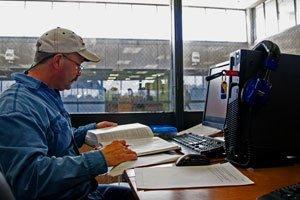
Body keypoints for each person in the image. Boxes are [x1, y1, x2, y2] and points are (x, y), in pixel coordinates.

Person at [0, 27, 137, 200]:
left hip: (83, 191)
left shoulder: (45, 94)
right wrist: (101, 159)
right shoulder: (17, 107)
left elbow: (53, 138)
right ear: (58, 61)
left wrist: (90, 130)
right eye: (78, 66)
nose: (79, 73)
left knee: (135, 194)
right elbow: (30, 178)